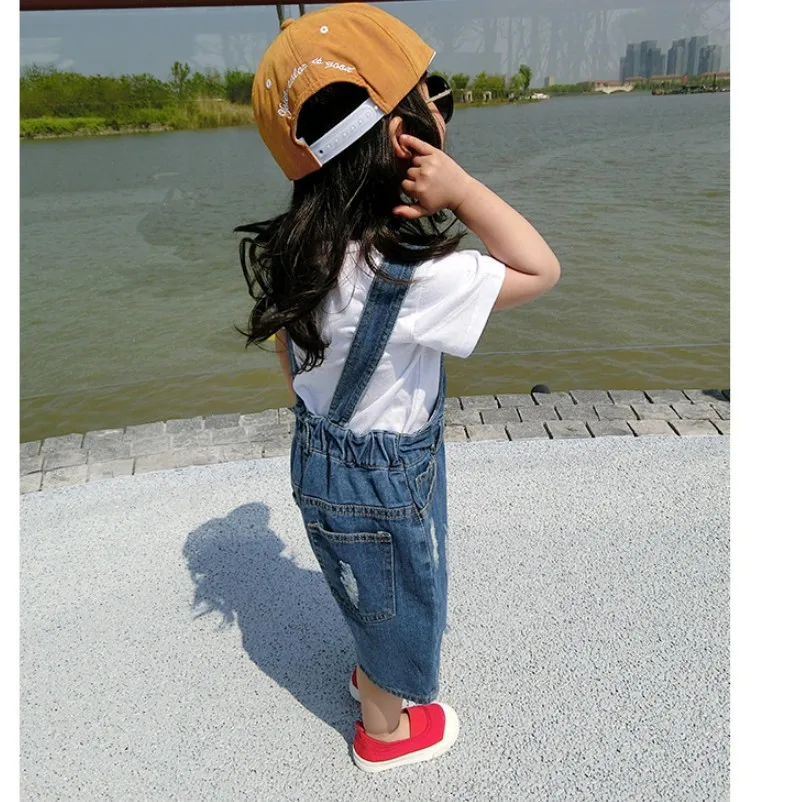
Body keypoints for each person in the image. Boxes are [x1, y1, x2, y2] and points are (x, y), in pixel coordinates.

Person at [236, 3, 560, 773]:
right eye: (430, 105)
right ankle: (384, 730)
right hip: (386, 472)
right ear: (400, 138)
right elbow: (540, 268)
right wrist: (464, 191)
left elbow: (290, 360)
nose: (441, 116)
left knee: (367, 581)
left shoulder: (300, 255)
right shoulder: (410, 277)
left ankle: (371, 666)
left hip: (319, 453)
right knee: (403, 590)